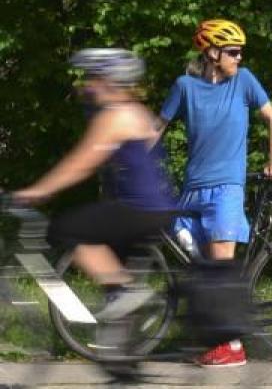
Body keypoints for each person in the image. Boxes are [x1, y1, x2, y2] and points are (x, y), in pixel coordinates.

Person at [13, 49, 176, 330]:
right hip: (158, 209)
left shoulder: (115, 115)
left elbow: (81, 163)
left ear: (110, 80)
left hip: (137, 209)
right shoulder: (138, 111)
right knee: (111, 271)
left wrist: (38, 191)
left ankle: (129, 292)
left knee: (66, 228)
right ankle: (123, 354)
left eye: (93, 77)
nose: (87, 85)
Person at [159, 19, 272, 367]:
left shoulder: (243, 81)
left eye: (241, 52)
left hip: (226, 190)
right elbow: (157, 128)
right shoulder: (185, 86)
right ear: (212, 53)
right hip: (192, 191)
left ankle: (231, 347)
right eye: (232, 52)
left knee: (219, 268)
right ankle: (215, 332)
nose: (239, 57)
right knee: (195, 261)